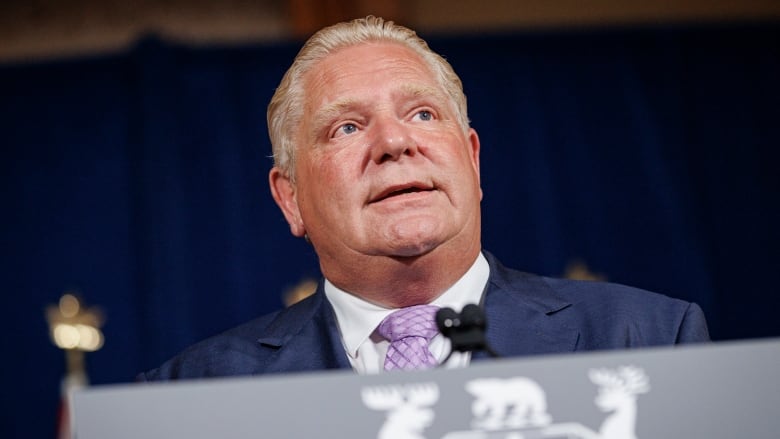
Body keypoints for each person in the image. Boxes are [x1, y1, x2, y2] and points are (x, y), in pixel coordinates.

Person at [138, 16, 708, 380]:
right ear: (290, 199)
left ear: (473, 160)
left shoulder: (651, 341)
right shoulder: (191, 395)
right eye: (346, 128)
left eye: (423, 114)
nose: (393, 142)